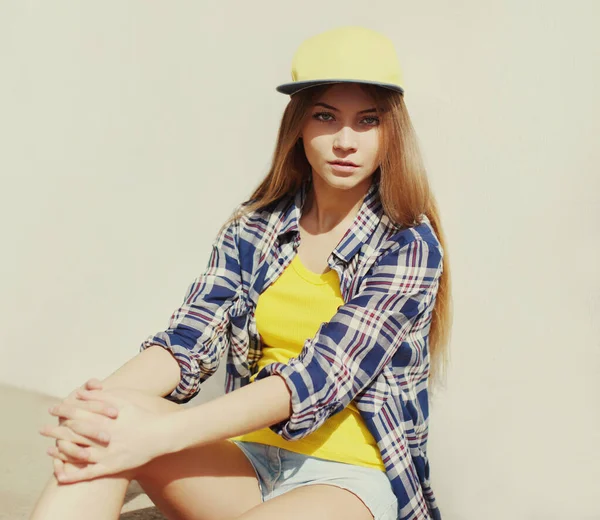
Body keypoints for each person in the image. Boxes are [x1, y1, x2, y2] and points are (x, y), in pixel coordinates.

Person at [30, 25, 452, 520]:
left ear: (390, 132)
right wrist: (96, 406)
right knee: (102, 433)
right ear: (298, 125)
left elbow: (316, 377)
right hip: (248, 464)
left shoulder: (408, 244)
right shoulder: (255, 227)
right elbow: (187, 340)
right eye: (325, 116)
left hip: (349, 481)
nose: (344, 141)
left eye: (367, 121)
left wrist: (153, 436)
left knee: (125, 431)